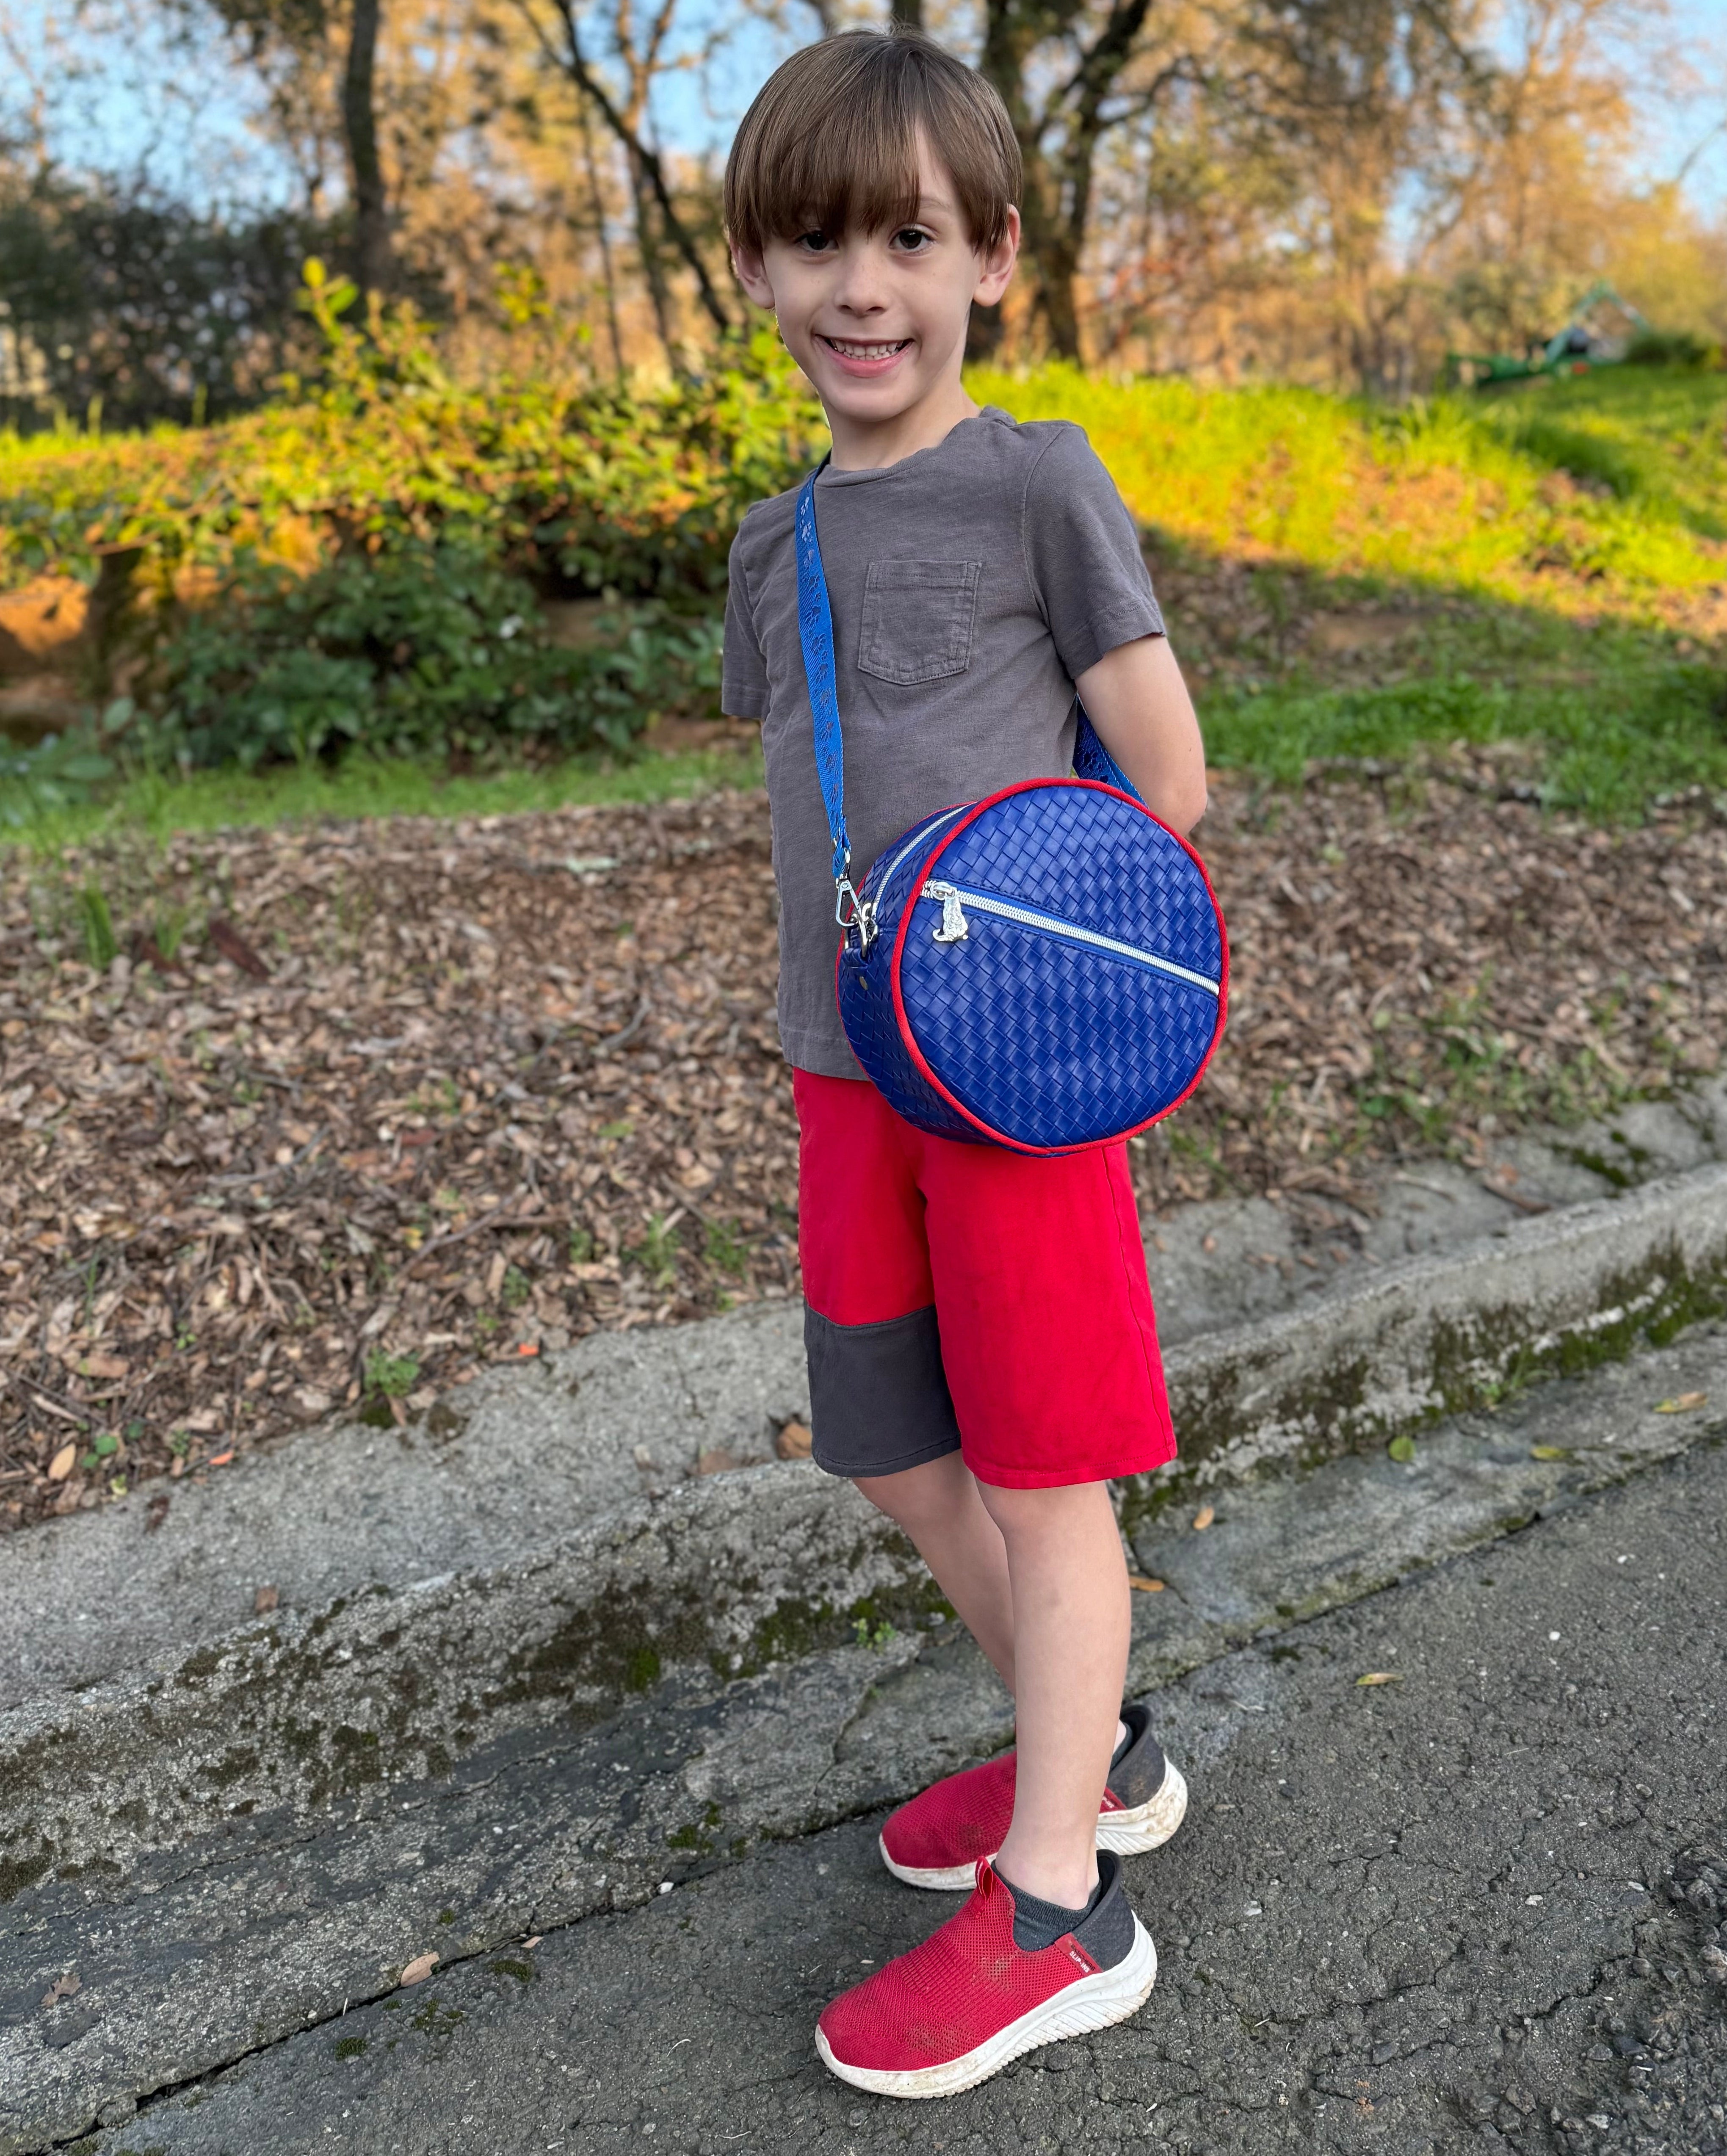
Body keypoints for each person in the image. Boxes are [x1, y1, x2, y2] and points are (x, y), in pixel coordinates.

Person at [720, 25, 1210, 2101]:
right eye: (817, 241)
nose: (863, 285)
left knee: (1042, 1461)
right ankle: (1089, 1746)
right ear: (757, 269)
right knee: (896, 1447)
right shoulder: (770, 547)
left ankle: (1060, 1904)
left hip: (1006, 1080)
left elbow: (1164, 772)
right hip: (847, 1068)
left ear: (992, 256)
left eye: (909, 238)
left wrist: (1044, 959)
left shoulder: (1037, 480)